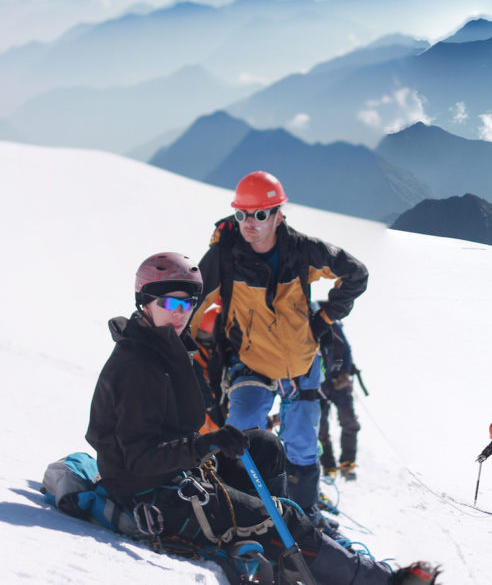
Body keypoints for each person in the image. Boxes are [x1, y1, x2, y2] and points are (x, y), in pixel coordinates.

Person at [86, 252, 439, 584]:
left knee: (263, 445)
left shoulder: (165, 348)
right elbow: (139, 457)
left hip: (174, 473)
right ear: (144, 302)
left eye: (189, 304)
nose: (182, 313)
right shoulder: (139, 366)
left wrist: (211, 439)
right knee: (278, 517)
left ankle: (276, 553)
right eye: (172, 303)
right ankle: (373, 578)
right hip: (149, 492)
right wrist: (205, 444)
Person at [189, 171, 369, 526]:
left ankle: (303, 519)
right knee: (239, 434)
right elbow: (193, 305)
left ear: (277, 214)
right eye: (242, 215)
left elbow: (356, 273)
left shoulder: (303, 251)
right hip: (252, 362)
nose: (249, 224)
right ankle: (235, 509)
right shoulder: (224, 258)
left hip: (301, 363)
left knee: (302, 445)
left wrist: (325, 318)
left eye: (259, 215)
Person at [317, 307, 361, 481]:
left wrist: (345, 374)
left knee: (348, 421)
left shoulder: (334, 328)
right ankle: (328, 465)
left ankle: (347, 462)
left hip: (337, 381)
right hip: (319, 385)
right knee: (320, 427)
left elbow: (346, 351)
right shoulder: (310, 328)